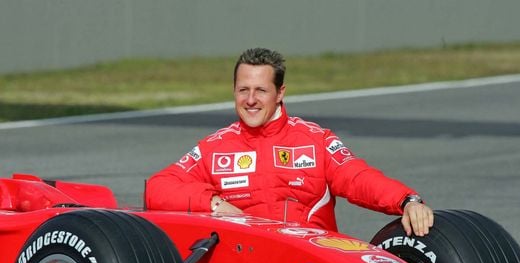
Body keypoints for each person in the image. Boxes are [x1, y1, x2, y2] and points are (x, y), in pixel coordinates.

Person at [146, 48, 433, 236]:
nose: (250, 100)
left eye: (261, 90)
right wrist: (213, 202)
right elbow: (157, 188)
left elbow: (358, 177)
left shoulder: (315, 140)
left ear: (280, 93)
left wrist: (406, 200)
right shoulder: (215, 147)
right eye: (243, 90)